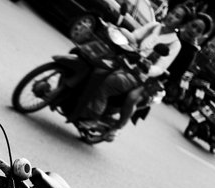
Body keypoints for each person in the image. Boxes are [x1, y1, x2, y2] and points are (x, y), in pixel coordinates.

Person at [71, 4, 193, 138]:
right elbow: (134, 37)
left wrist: (148, 68)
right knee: (95, 61)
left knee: (109, 81)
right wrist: (119, 29)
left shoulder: (175, 44)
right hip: (126, 60)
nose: (171, 17)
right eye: (172, 13)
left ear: (181, 24)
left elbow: (160, 67)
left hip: (140, 74)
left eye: (177, 17)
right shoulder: (154, 26)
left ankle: (92, 117)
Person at [164, 13, 214, 101]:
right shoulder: (171, 33)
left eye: (199, 31)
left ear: (201, 35)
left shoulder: (191, 52)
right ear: (188, 23)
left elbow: (175, 75)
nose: (193, 31)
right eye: (193, 25)